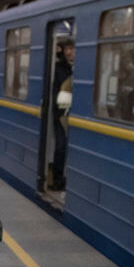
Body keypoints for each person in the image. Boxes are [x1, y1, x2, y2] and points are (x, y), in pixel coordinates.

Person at [49, 37, 75, 190]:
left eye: (72, 49)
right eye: (67, 49)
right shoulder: (58, 68)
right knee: (61, 147)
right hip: (61, 114)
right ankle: (57, 179)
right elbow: (56, 92)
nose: (69, 52)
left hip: (75, 115)